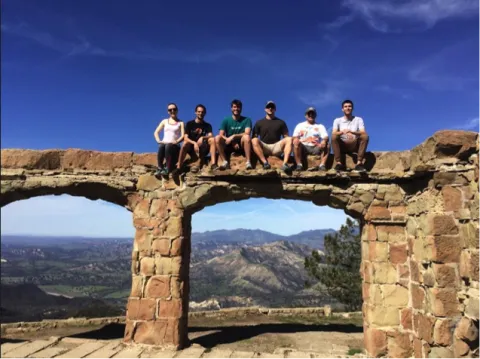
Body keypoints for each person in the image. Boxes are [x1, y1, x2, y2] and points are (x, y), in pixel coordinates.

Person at [251, 101, 292, 172]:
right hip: (265, 147)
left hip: (277, 147)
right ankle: (265, 163)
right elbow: (254, 136)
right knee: (254, 140)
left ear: (275, 109)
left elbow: (286, 136)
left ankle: (285, 164)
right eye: (268, 107)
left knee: (289, 139)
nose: (270, 108)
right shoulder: (259, 122)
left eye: (272, 107)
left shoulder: (281, 122)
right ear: (265, 109)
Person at [331, 100, 369, 172]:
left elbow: (363, 132)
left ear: (352, 108)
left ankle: (359, 163)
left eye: (349, 106)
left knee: (365, 136)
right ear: (342, 109)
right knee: (333, 137)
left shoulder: (358, 119)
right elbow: (334, 133)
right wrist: (342, 132)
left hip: (354, 145)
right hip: (342, 145)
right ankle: (339, 163)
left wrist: (352, 132)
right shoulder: (337, 120)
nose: (347, 108)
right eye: (345, 107)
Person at [177, 104, 217, 171]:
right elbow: (185, 137)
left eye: (202, 112)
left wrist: (203, 137)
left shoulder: (207, 125)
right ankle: (179, 166)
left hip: (202, 148)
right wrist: (194, 143)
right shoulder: (189, 124)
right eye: (199, 111)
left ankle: (213, 164)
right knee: (184, 143)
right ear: (195, 112)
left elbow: (211, 135)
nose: (200, 113)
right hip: (191, 148)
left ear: (205, 113)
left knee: (212, 139)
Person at [215, 99, 253, 170]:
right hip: (228, 143)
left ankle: (248, 162)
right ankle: (224, 162)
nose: (236, 109)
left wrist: (234, 136)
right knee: (217, 138)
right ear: (231, 108)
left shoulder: (247, 119)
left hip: (241, 143)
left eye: (238, 107)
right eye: (234, 107)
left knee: (247, 137)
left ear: (241, 108)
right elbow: (221, 134)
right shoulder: (226, 120)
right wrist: (232, 141)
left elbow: (247, 132)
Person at [292, 107, 329, 171]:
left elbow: (325, 136)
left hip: (315, 147)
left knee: (327, 144)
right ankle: (299, 164)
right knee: (295, 142)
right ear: (305, 115)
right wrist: (296, 139)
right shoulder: (300, 125)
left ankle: (322, 165)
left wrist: (324, 141)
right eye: (309, 114)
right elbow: (294, 136)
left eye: (313, 114)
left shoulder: (320, 126)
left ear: (315, 115)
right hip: (303, 147)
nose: (311, 115)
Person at [153, 103, 185, 176]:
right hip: (164, 144)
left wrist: (176, 141)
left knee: (168, 146)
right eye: (170, 110)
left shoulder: (181, 123)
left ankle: (168, 168)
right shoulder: (164, 121)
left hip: (175, 146)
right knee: (161, 146)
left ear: (177, 110)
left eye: (174, 109)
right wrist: (158, 141)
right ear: (168, 111)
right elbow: (156, 132)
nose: (172, 111)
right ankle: (160, 167)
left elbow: (183, 136)